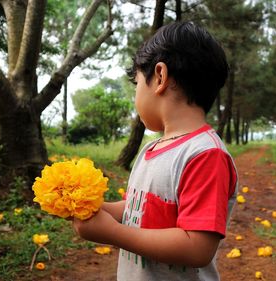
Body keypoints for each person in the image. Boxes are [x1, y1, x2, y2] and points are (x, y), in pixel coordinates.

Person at [72, 21, 238, 281]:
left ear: (159, 77)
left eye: (137, 83)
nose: (136, 95)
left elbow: (197, 247)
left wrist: (114, 234)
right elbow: (140, 210)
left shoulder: (205, 154)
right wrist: (96, 209)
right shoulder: (153, 148)